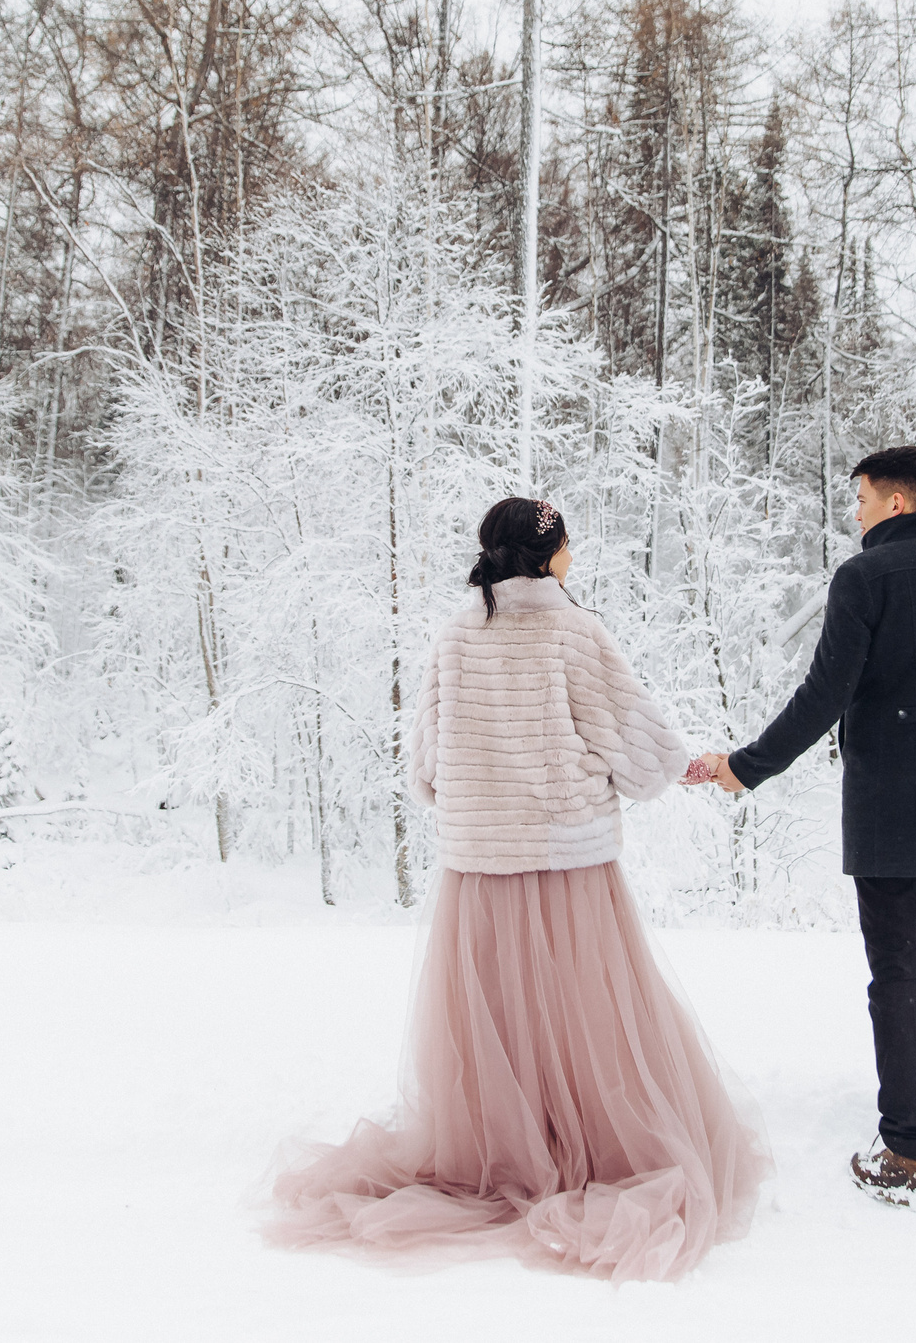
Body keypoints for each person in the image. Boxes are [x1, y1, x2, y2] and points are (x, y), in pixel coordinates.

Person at [267, 497, 769, 1282]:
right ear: (548, 553)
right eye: (568, 538)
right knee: (585, 1022)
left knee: (502, 1026)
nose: (575, 548)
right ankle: (587, 1151)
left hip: (480, 872)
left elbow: (427, 772)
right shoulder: (574, 629)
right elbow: (638, 754)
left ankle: (510, 1149)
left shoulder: (456, 632)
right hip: (566, 865)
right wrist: (690, 765)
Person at [687, 444, 916, 1206]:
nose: (853, 511)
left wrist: (746, 766)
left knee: (898, 978)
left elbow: (825, 694)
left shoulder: (863, 578)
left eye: (859, 497)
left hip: (887, 802)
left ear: (894, 501)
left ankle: (907, 1150)